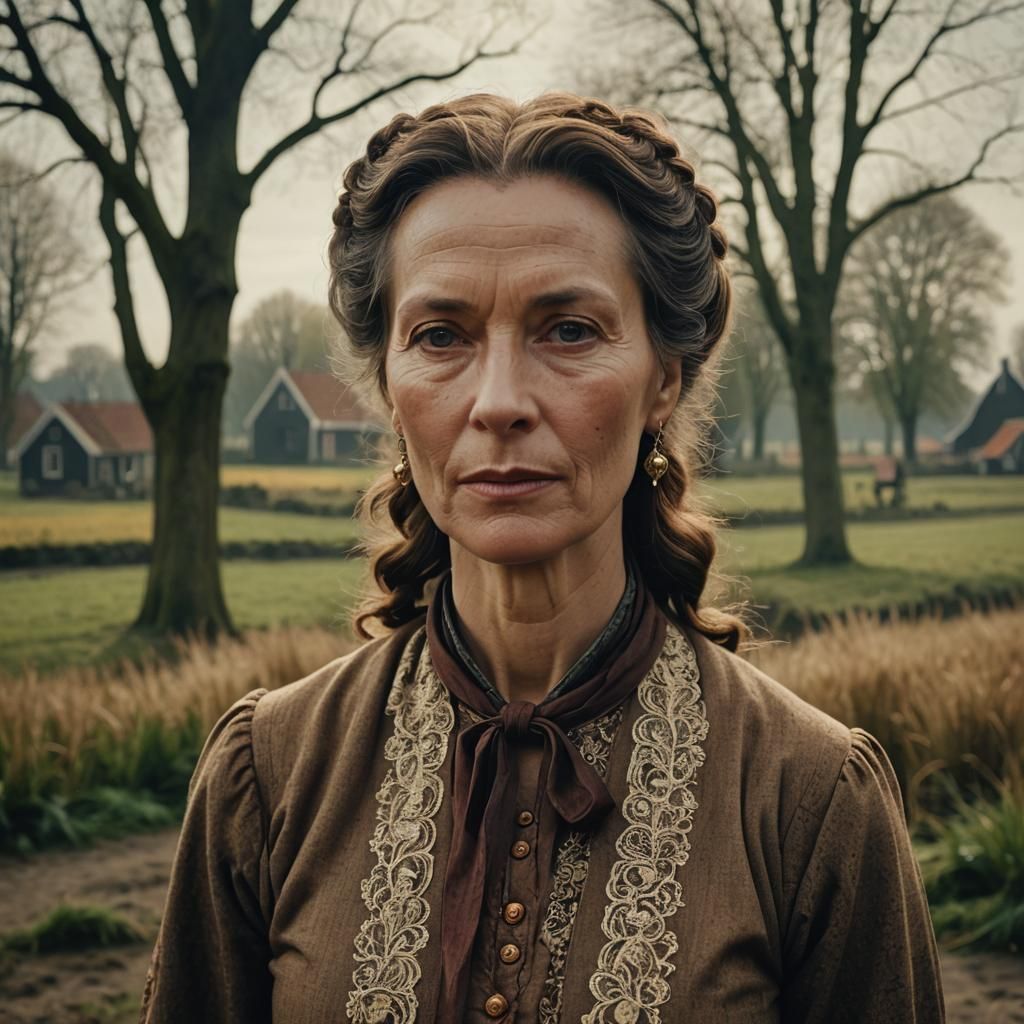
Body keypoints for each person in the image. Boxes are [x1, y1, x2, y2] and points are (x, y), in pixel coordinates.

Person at [139, 92, 944, 1023]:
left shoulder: (810, 800)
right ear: (391, 390)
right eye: (440, 336)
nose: (500, 400)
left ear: (664, 379)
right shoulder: (267, 775)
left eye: (569, 330)